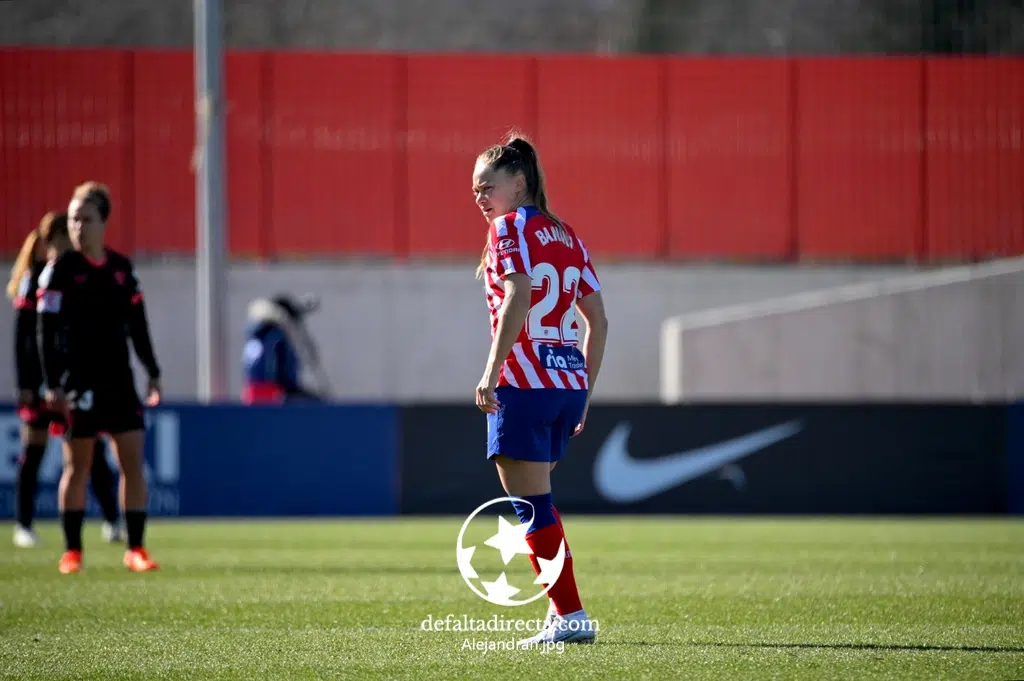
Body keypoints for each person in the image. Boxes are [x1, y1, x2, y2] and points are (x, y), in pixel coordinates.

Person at [471, 133, 608, 646]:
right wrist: (584, 391)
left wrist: (491, 370)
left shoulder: (508, 229)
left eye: (489, 185)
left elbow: (519, 295)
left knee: (532, 507)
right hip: (566, 381)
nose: (481, 197)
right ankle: (563, 612)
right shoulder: (568, 235)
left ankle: (570, 616)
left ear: (520, 182)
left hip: (524, 384)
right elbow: (598, 320)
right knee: (540, 503)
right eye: (475, 191)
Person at [36, 182, 163, 574]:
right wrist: (51, 382)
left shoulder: (122, 271)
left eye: (86, 218)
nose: (78, 226)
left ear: (103, 223)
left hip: (119, 382)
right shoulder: (59, 272)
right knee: (77, 467)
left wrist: (152, 373)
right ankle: (72, 551)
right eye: (74, 218)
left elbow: (138, 326)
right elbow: (45, 331)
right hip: (78, 384)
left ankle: (136, 548)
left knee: (132, 464)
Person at [7, 211, 122, 548]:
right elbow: (24, 338)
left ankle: (112, 520)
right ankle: (24, 525)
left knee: (92, 452)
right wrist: (27, 383)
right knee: (34, 452)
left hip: (71, 380)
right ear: (49, 242)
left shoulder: (75, 277)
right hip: (42, 386)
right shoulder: (36, 279)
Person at [241, 293, 330, 404]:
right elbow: (287, 378)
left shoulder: (257, 335)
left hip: (252, 396)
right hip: (274, 396)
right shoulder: (276, 336)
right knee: (318, 405)